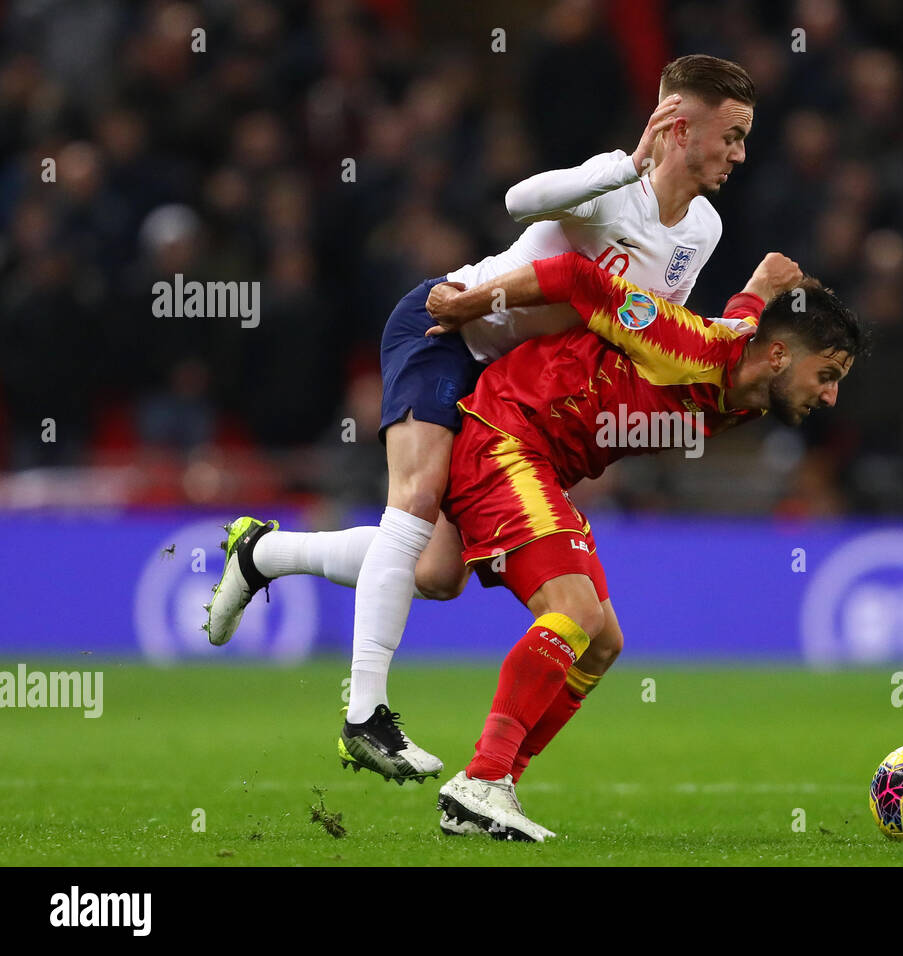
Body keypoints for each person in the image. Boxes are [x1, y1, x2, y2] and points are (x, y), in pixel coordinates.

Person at [205, 56, 758, 785]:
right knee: (415, 499)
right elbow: (521, 198)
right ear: (680, 127)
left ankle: (261, 556)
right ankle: (365, 716)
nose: (740, 154)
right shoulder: (611, 188)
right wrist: (627, 163)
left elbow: (629, 323)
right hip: (447, 332)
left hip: (508, 392)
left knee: (435, 574)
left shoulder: (706, 229)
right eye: (733, 134)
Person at [420, 250, 867, 840]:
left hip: (543, 465)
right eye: (827, 377)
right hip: (507, 434)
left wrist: (758, 288)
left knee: (602, 644)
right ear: (781, 356)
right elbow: (578, 278)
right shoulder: (690, 344)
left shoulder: (751, 381)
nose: (830, 397)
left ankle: (496, 785)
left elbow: (742, 324)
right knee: (573, 614)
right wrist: (465, 304)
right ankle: (480, 780)